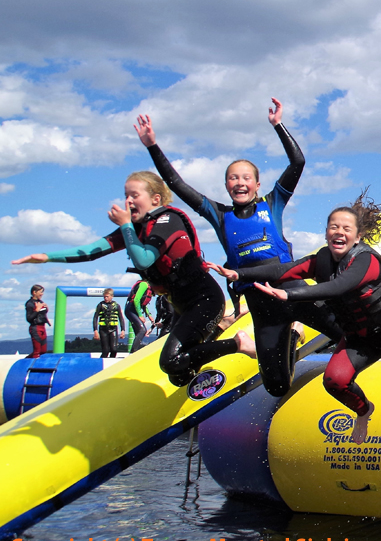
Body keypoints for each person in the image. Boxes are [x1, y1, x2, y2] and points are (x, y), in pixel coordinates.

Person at [135, 99, 341, 396]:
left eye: (246, 178)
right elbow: (177, 184)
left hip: (293, 292)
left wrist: (278, 126)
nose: (240, 182)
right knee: (276, 387)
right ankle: (293, 336)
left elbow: (298, 162)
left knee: (345, 334)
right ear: (226, 185)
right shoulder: (219, 214)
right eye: (233, 178)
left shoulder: (273, 203)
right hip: (261, 305)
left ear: (257, 185)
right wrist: (152, 146)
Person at [211, 193, 381, 444]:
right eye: (333, 227)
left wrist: (290, 294)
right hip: (358, 339)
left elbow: (339, 286)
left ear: (358, 236)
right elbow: (284, 270)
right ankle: (364, 411)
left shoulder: (366, 260)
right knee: (334, 381)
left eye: (346, 228)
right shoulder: (321, 260)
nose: (339, 232)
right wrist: (239, 274)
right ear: (326, 233)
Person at [12, 171, 256, 385]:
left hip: (204, 300)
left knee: (171, 361)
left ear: (155, 199)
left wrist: (126, 226)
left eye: (134, 195)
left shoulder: (168, 220)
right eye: (126, 196)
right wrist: (46, 257)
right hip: (182, 305)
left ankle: (238, 343)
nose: (128, 201)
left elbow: (144, 260)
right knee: (179, 375)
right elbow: (91, 251)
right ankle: (222, 333)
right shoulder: (136, 229)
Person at [93, 288, 126, 358]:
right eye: (104, 297)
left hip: (113, 329)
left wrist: (123, 330)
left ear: (112, 296)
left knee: (114, 349)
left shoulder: (116, 305)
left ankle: (111, 361)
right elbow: (95, 318)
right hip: (103, 330)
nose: (105, 298)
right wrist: (95, 330)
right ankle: (101, 362)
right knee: (105, 350)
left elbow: (121, 318)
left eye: (107, 296)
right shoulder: (100, 305)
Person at [125, 279, 154, 353]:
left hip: (134, 310)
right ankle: (133, 352)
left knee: (139, 332)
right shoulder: (144, 284)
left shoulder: (148, 287)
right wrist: (140, 315)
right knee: (142, 330)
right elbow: (136, 300)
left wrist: (149, 315)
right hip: (130, 310)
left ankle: (135, 351)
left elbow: (143, 304)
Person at [24, 285, 50, 359]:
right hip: (35, 327)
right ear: (34, 292)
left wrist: (46, 308)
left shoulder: (40, 302)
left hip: (42, 327)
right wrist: (37, 310)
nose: (42, 294)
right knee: (37, 351)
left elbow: (42, 314)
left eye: (42, 292)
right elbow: (29, 318)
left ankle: (28, 359)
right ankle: (28, 361)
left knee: (43, 350)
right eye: (40, 292)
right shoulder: (30, 303)